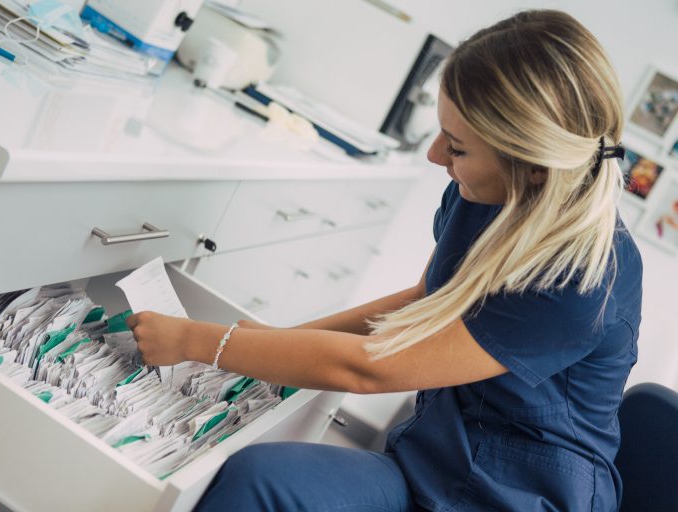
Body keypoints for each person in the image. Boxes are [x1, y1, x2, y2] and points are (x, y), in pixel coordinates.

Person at [127, 9, 642, 512]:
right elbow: (422, 304)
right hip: (436, 462)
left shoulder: (582, 280)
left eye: (457, 147)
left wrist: (201, 343)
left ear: (532, 167)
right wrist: (262, 344)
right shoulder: (481, 196)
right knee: (263, 479)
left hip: (520, 494)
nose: (434, 155)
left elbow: (369, 371)